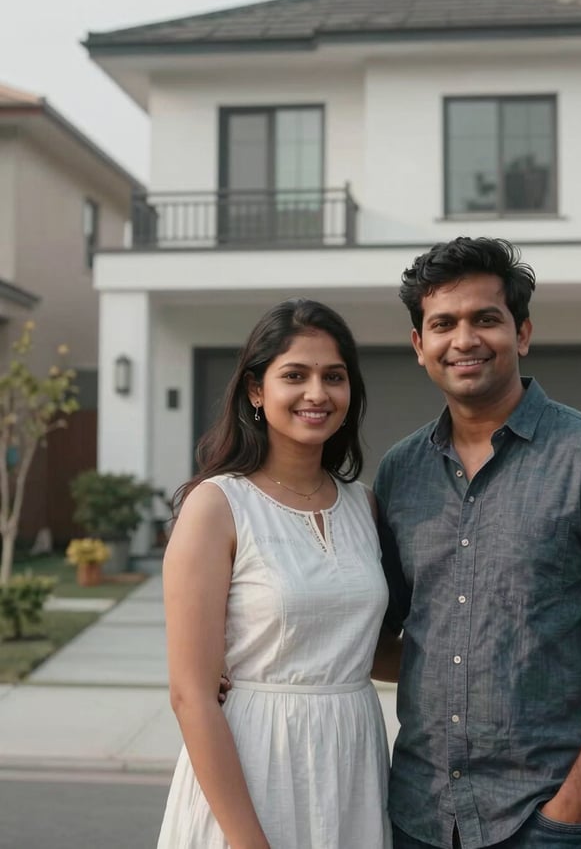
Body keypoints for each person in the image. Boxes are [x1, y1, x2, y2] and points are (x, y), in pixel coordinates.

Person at [373, 237, 581, 849]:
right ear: (419, 346)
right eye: (443, 324)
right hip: (420, 817)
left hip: (548, 820)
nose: (464, 340)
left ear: (522, 333)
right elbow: (374, 630)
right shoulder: (399, 472)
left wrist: (577, 803)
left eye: (485, 319)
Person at [157, 298, 392, 849]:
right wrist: (247, 842)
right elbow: (191, 695)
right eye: (295, 375)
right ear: (256, 391)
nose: (318, 393)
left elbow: (364, 646)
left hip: (353, 761)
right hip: (254, 764)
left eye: (334, 377)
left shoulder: (365, 506)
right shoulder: (217, 506)